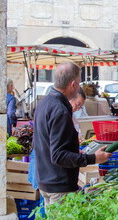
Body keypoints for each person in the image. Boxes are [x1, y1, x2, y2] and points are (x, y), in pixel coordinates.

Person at [33, 63, 111, 206]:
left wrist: (75, 151)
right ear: (73, 84)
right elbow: (58, 156)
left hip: (46, 179)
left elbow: (45, 144)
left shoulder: (44, 103)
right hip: (59, 185)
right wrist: (93, 158)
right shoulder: (60, 110)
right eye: (79, 82)